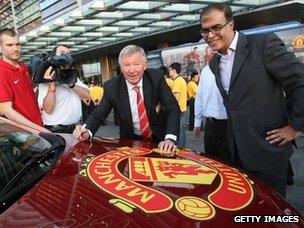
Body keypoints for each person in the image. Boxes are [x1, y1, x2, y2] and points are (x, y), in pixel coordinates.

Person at [200, 3, 304, 197]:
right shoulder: (214, 62)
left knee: (272, 211)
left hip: (268, 150)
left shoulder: (263, 44)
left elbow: (300, 81)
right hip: (235, 153)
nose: (210, 35)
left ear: (231, 24)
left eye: (216, 27)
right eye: (205, 30)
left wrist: (296, 127)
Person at [73, 45, 180, 152]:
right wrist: (87, 130)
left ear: (144, 65)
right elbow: (98, 114)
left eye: (136, 64)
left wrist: (170, 138)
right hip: (130, 142)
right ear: (121, 68)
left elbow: (173, 108)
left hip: (161, 139)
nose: (131, 70)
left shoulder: (156, 78)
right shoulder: (112, 87)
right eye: (126, 65)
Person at [0, 28, 47, 132]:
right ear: (0, 47)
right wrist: (40, 130)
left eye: (17, 44)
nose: (15, 48)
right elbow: (7, 111)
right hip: (26, 135)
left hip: (38, 127)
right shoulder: (1, 71)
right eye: (9, 45)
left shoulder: (23, 67)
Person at [37, 45, 90, 133]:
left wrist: (72, 85)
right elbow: (48, 110)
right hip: (57, 130)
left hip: (76, 128)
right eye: (61, 53)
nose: (66, 56)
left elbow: (87, 96)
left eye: (68, 53)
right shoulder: (45, 81)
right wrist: (51, 87)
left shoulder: (71, 76)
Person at [193, 65, 230, 162]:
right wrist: (197, 121)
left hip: (227, 124)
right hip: (210, 124)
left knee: (228, 161)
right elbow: (200, 95)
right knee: (211, 159)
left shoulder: (230, 66)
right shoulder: (206, 70)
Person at [169, 62, 187, 148]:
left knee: (179, 131)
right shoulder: (181, 80)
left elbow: (175, 99)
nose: (169, 72)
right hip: (183, 108)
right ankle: (181, 147)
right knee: (181, 130)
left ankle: (180, 148)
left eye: (170, 70)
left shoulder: (177, 81)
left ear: (174, 71)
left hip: (179, 109)